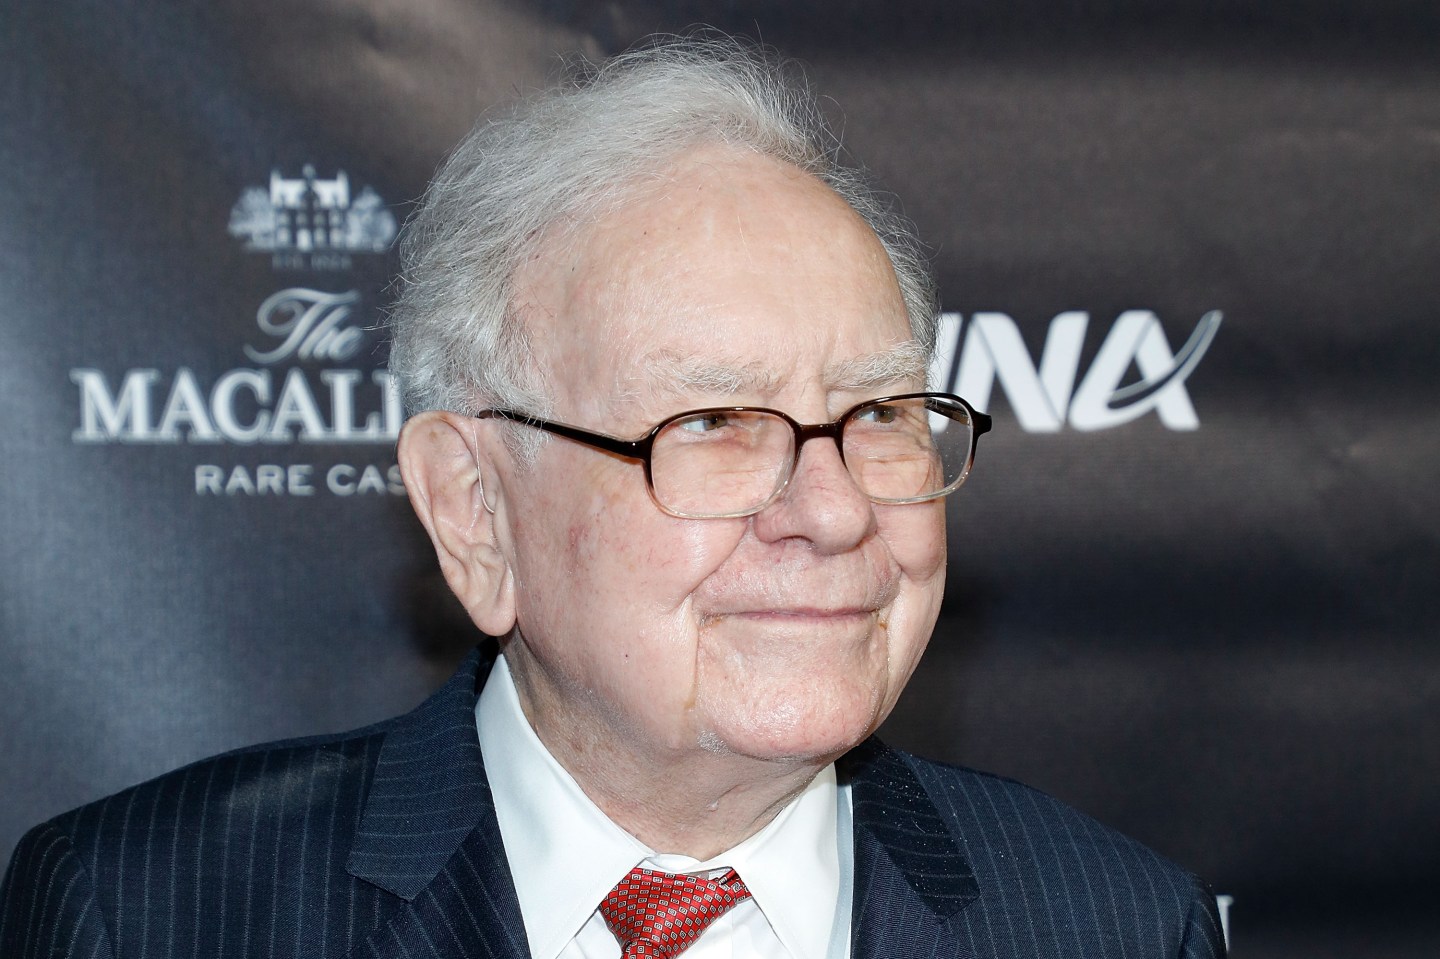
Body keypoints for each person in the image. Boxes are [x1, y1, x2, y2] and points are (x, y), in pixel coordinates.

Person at [0, 37, 1225, 959]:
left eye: (879, 417)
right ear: (475, 509)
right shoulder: (152, 910)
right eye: (713, 425)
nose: (838, 511)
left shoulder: (1114, 924)